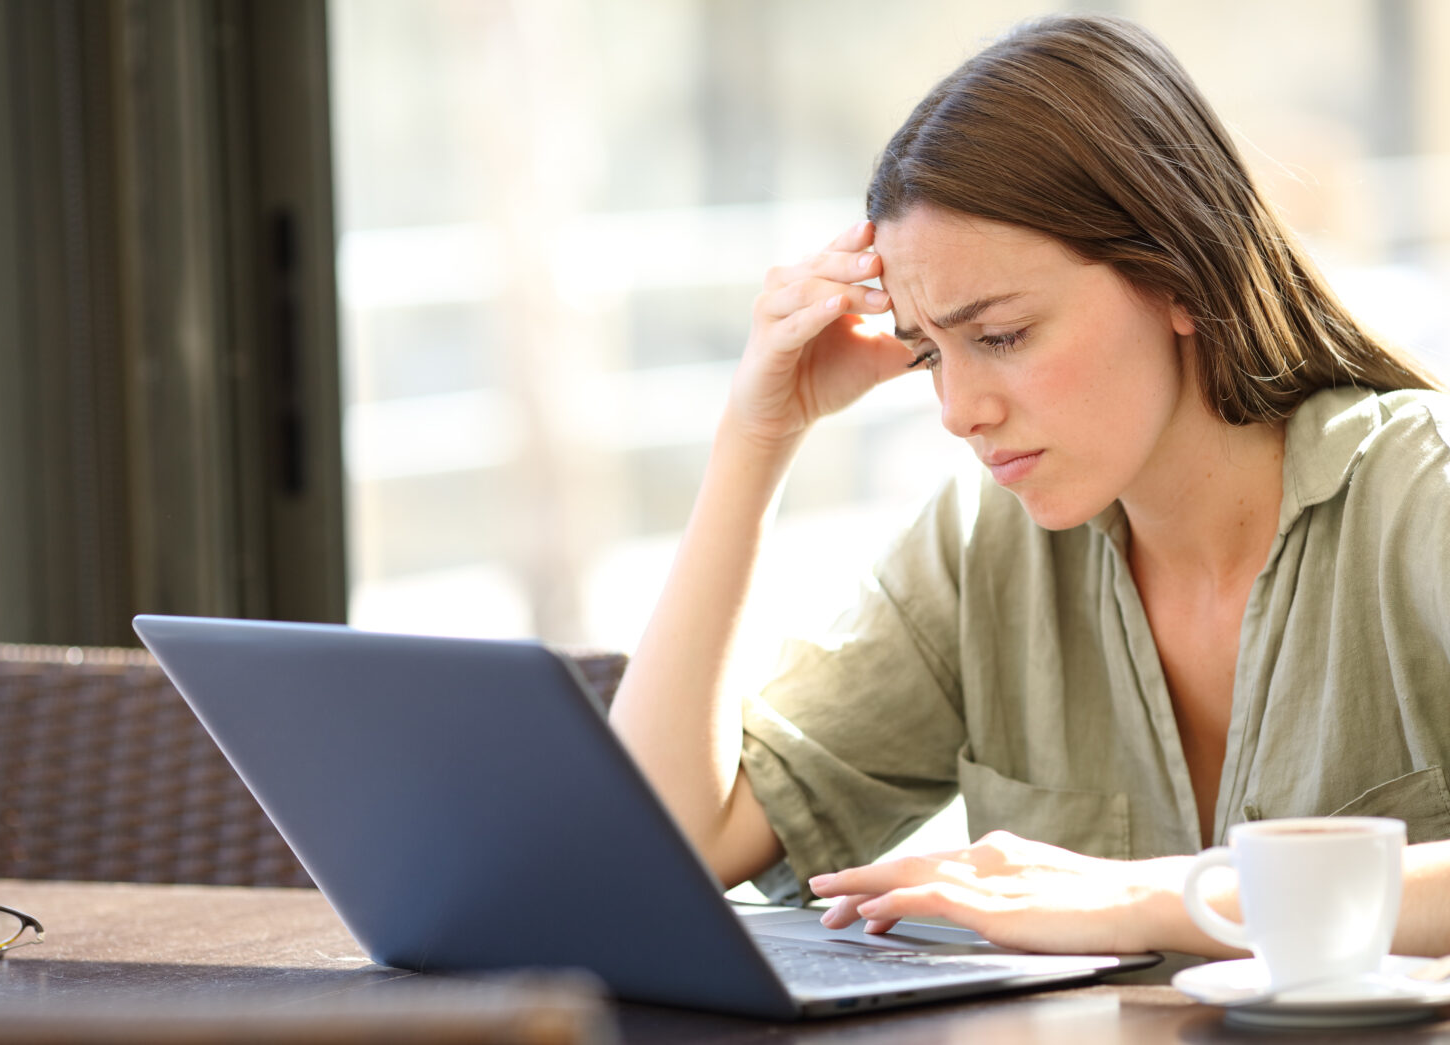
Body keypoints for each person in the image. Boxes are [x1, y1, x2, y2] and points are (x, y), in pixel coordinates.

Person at [608, 13, 1450, 958]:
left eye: (1001, 336)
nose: (958, 410)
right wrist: (756, 437)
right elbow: (668, 845)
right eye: (930, 353)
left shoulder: (1423, 497)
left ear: (1177, 276)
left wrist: (1149, 899)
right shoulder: (984, 551)